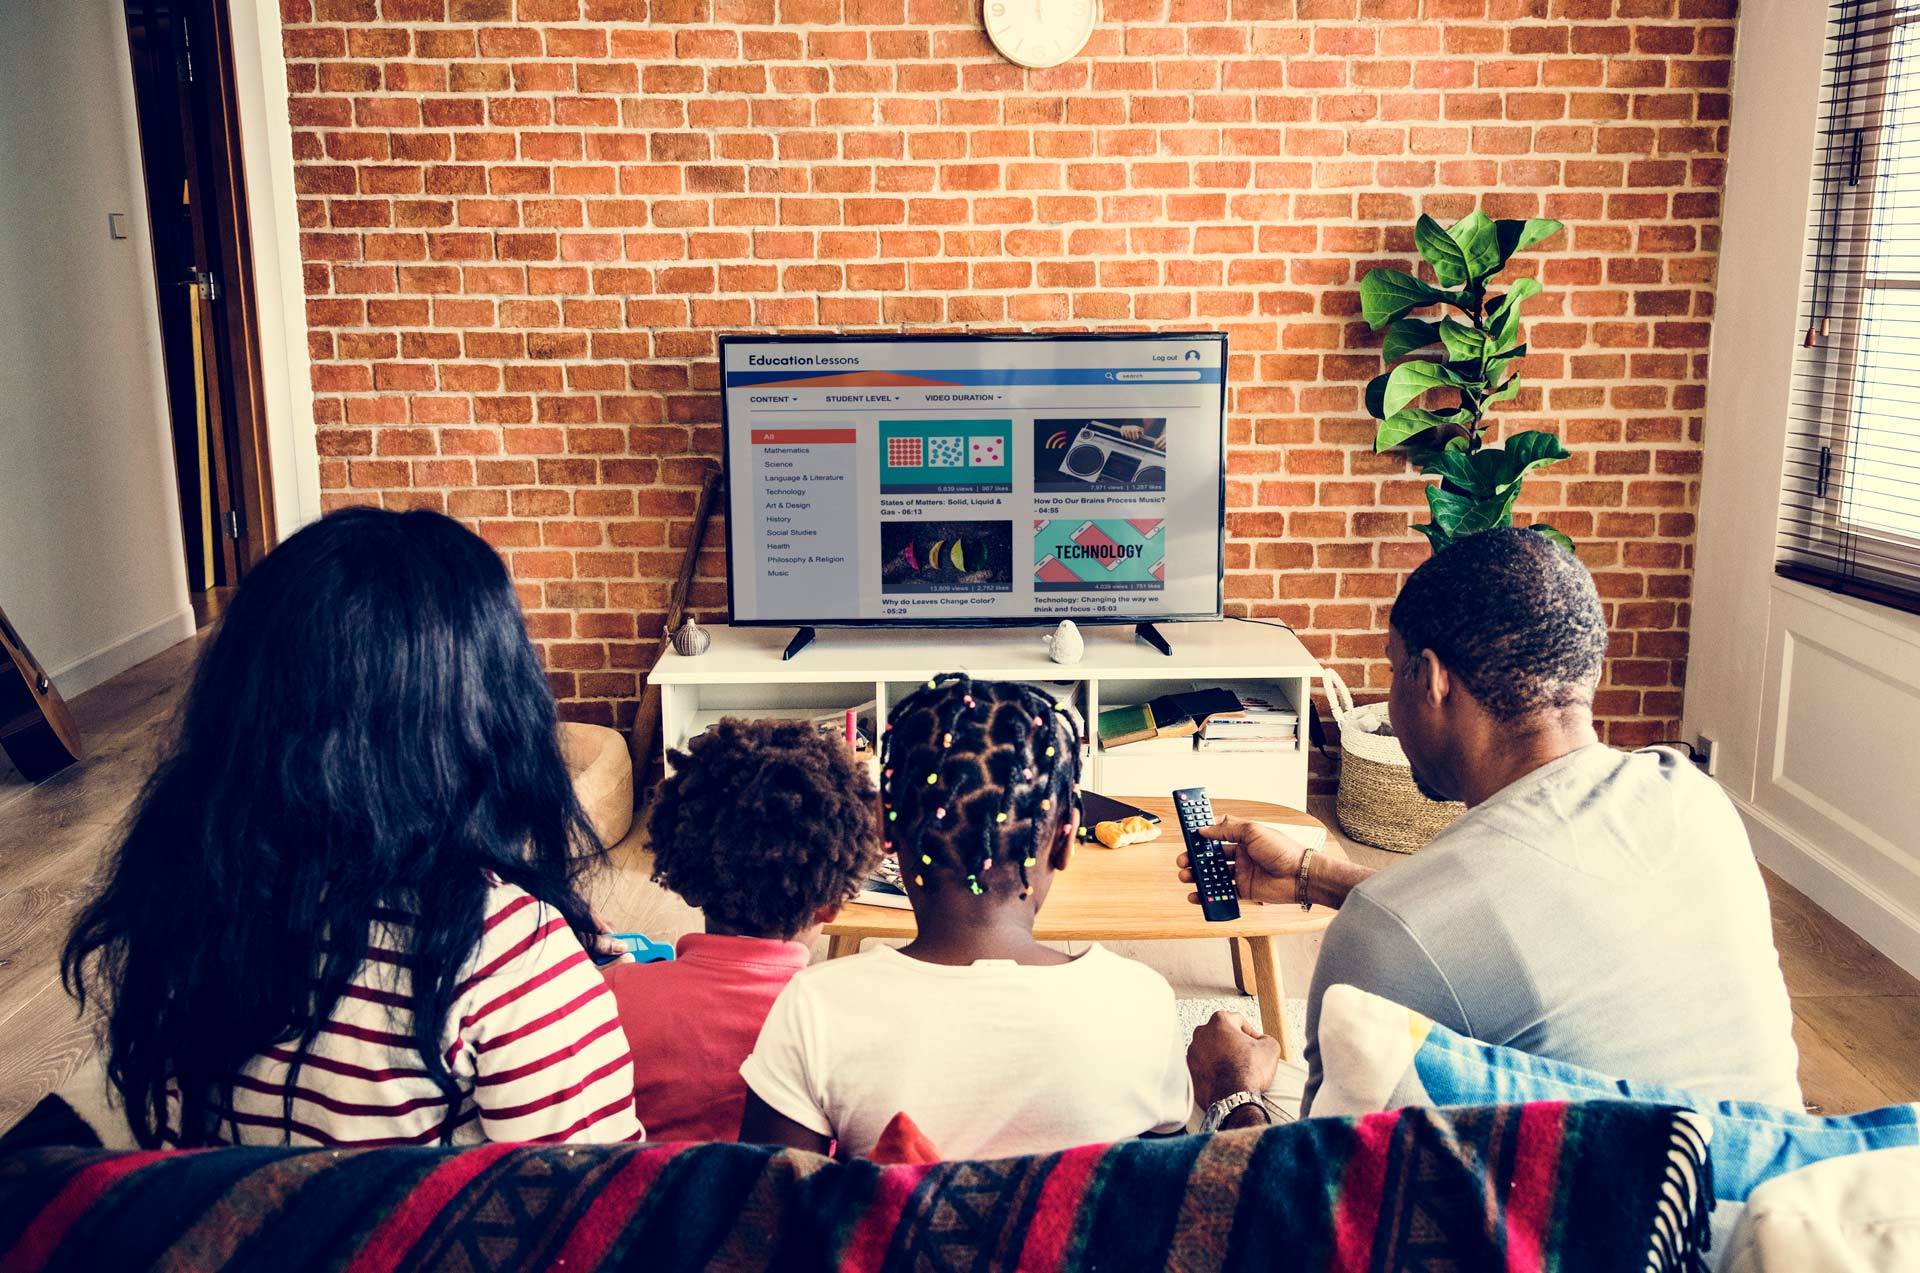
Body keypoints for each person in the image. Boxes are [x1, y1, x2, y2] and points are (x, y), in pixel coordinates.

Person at [63, 508, 643, 1148]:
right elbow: (598, 1216)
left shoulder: (190, 903)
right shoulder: (513, 956)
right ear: (493, 714)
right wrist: (558, 998)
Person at [1180, 528, 1800, 1124]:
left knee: (1239, 1087)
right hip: (1787, 1192)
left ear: (1434, 677)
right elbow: (1542, 918)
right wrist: (1316, 874)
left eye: (1396, 671)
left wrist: (1230, 1092)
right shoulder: (1691, 795)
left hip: (1621, 1232)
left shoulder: (1384, 941)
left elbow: (1322, 1207)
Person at [738, 675, 1192, 1160]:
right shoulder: (1139, 1001)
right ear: (1065, 838)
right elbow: (1171, 1190)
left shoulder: (816, 1008)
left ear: (884, 826)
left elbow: (768, 1212)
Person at [604, 718, 881, 1142]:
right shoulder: (851, 1020)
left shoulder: (611, 996)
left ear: (687, 884)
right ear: (831, 905)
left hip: (650, 1200)